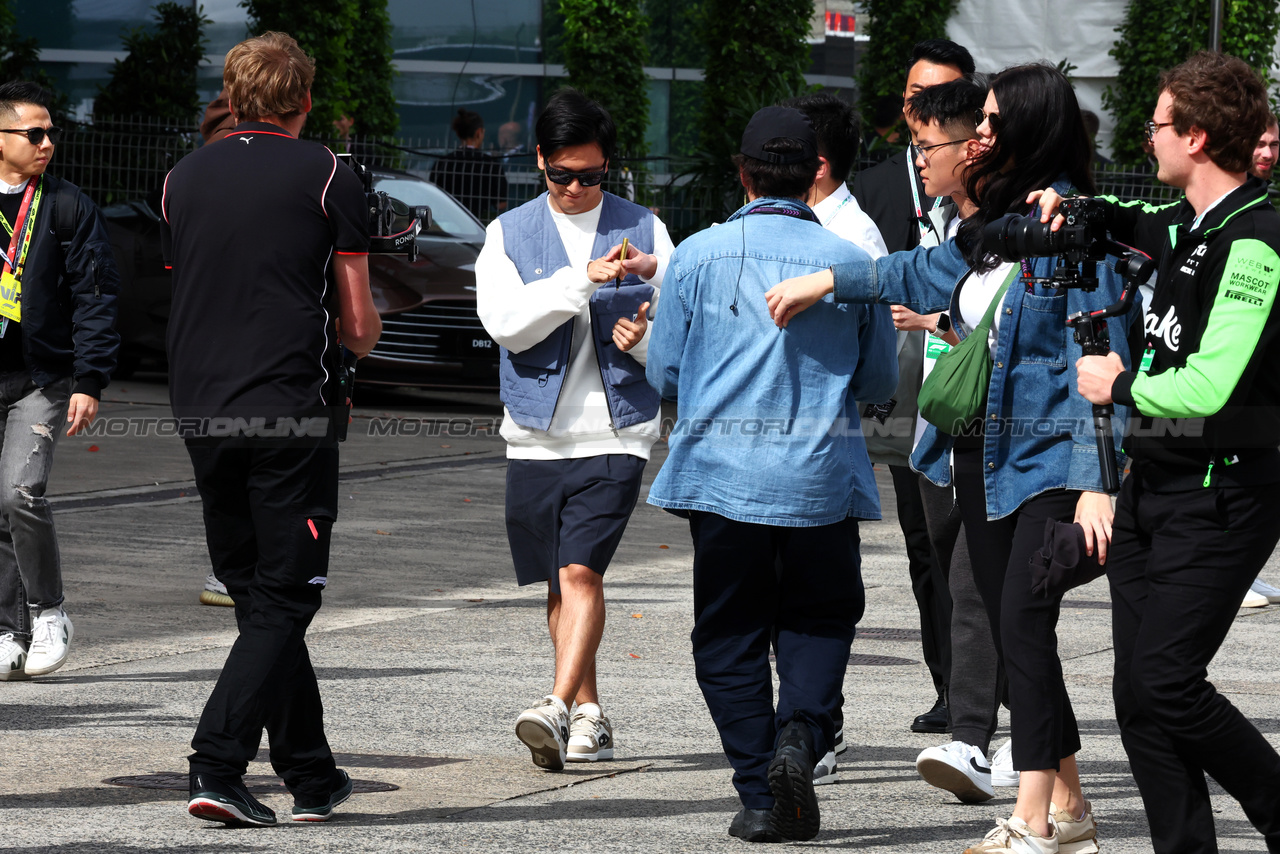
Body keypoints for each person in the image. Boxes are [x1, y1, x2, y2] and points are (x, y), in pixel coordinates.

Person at [767, 63, 1132, 854]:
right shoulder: (1002, 223)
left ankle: (1036, 822)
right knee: (1016, 630)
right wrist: (827, 279)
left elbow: (1102, 360)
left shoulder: (1073, 222)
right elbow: (918, 270)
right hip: (985, 459)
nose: (981, 137)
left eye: (996, 123)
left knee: (1024, 630)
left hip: (1047, 466)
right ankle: (1068, 806)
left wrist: (1098, 483)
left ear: (1032, 128)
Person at [646, 105, 896, 843]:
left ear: (745, 172)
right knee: (819, 622)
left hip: (721, 481)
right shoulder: (849, 263)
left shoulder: (696, 254)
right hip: (821, 480)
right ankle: (801, 738)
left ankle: (762, 792)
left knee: (729, 637)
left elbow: (663, 370)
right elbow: (880, 380)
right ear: (815, 169)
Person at [1059, 51, 1280, 854]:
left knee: (1166, 682)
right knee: (1137, 699)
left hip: (1225, 496)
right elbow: (1125, 216)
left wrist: (1118, 387)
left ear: (1193, 136)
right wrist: (1068, 203)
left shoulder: (1256, 240)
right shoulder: (1184, 225)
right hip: (1150, 491)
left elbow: (1213, 384)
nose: (1145, 139)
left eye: (1155, 126)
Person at [161, 32, 382, 827]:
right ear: (306, 99)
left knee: (259, 596)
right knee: (287, 597)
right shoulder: (329, 173)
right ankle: (217, 763)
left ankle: (311, 774)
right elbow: (355, 325)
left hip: (201, 407)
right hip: (291, 408)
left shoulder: (181, 178)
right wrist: (363, 337)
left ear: (234, 92)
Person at [475, 88, 673, 773]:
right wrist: (579, 283)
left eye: (591, 175)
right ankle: (591, 712)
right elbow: (505, 325)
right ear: (540, 161)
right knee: (560, 584)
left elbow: (680, 331)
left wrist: (643, 341)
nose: (577, 188)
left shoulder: (646, 230)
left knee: (582, 570)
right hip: (534, 434)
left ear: (607, 166)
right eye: (563, 175)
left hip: (616, 430)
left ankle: (556, 707)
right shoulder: (507, 233)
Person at [851, 37, 974, 740]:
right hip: (901, 389)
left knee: (974, 548)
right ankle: (948, 683)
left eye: (941, 97)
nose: (924, 113)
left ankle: (980, 686)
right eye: (914, 100)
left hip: (969, 384)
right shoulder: (874, 186)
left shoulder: (988, 190)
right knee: (925, 543)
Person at [777, 90, 887, 787]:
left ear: (813, 164)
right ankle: (803, 725)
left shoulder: (856, 244)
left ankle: (816, 726)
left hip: (819, 453)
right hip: (782, 449)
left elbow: (876, 373)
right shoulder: (803, 230)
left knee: (816, 601)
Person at [0, 81, 119, 682]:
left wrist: (89, 379)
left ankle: (49, 613)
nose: (48, 142)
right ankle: (7, 629)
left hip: (41, 379)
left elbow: (96, 298)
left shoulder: (68, 206)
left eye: (51, 132)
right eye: (34, 133)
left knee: (18, 493)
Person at [430, 108, 509, 219]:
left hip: (447, 221)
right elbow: (501, 204)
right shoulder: (490, 165)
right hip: (478, 222)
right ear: (478, 133)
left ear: (458, 133)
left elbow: (433, 196)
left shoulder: (443, 163)